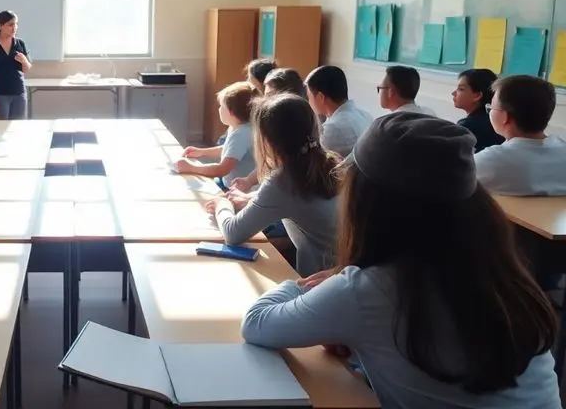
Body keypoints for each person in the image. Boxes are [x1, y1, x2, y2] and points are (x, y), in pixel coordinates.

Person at [241, 113, 560, 408]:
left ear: (367, 204)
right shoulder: (506, 278)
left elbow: (257, 324)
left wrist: (302, 287)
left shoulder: (367, 289)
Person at [205, 94, 340, 276]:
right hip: (344, 272)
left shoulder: (284, 180)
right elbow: (302, 202)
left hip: (317, 281)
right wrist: (250, 198)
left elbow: (233, 233)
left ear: (268, 140)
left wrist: (222, 204)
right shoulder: (330, 162)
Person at [475, 75, 566, 196]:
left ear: (504, 117)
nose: (489, 111)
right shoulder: (562, 150)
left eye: (491, 107)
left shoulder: (490, 160)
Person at [177, 82, 256, 187]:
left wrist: (191, 167)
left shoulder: (240, 135)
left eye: (221, 106)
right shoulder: (241, 126)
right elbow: (229, 150)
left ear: (230, 111)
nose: (219, 109)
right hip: (231, 182)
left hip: (236, 189)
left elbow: (222, 169)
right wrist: (201, 152)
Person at [305, 65, 373, 158]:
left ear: (321, 97)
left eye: (309, 97)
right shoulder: (366, 115)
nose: (308, 101)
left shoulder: (331, 129)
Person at [453, 68, 504, 153]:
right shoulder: (496, 121)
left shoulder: (467, 127)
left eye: (461, 89)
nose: (454, 93)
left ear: (477, 95)